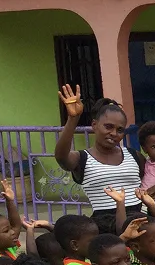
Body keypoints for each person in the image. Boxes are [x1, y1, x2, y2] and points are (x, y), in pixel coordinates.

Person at [54, 86, 145, 226]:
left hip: (140, 220)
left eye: (120, 130)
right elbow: (61, 157)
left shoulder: (134, 156)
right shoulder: (82, 158)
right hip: (105, 226)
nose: (114, 133)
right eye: (108, 127)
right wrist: (73, 118)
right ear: (94, 125)